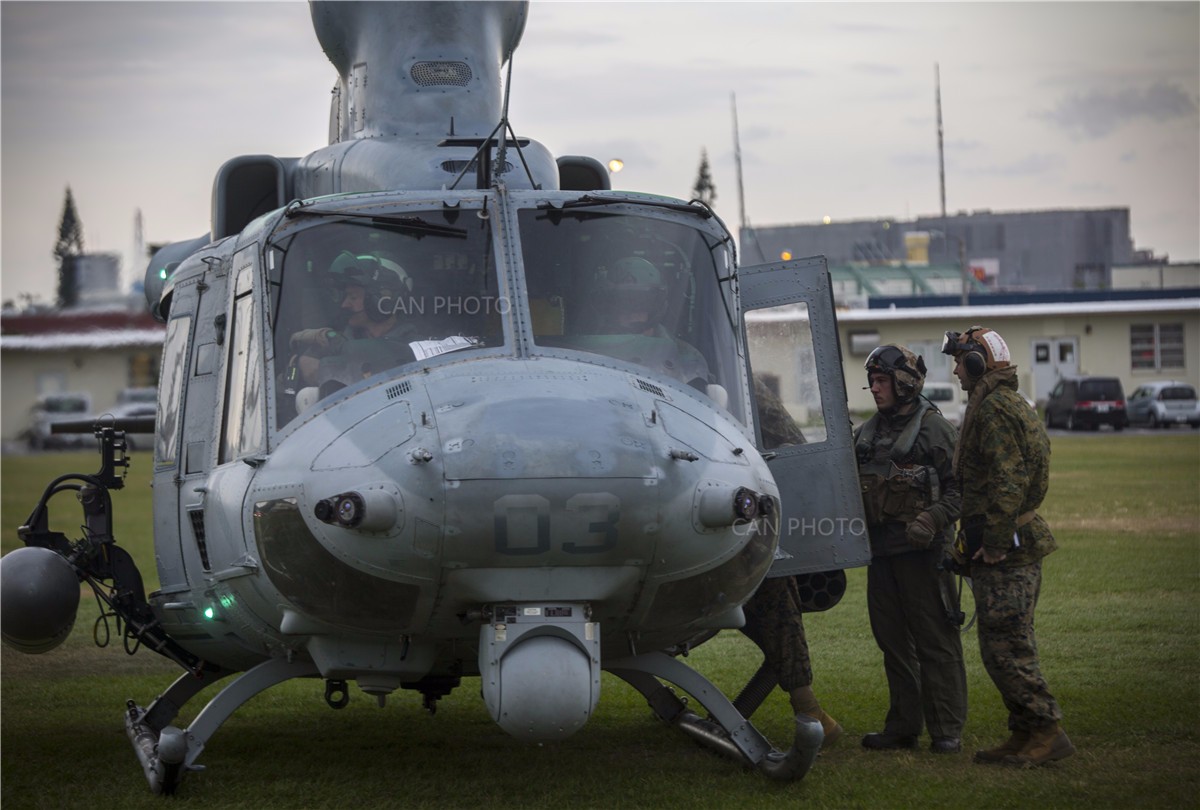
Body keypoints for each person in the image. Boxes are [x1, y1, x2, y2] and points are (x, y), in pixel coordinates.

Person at [941, 326, 1075, 767]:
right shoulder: (1007, 401)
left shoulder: (994, 408)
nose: (956, 369)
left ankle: (1046, 730)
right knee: (1002, 645)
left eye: (961, 360)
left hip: (1007, 550)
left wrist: (996, 542)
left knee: (1007, 648)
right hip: (1008, 543)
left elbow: (1009, 478)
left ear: (979, 364)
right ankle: (1023, 733)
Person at [854, 345, 967, 755]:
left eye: (881, 381)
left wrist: (932, 518)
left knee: (936, 641)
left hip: (924, 556)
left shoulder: (934, 430)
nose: (874, 388)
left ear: (904, 384)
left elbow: (962, 489)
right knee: (893, 642)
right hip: (881, 555)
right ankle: (904, 726)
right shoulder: (867, 434)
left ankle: (946, 729)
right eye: (872, 381)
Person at [739, 376, 842, 747]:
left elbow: (794, 448)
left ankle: (806, 703)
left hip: (732, 520)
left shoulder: (726, 379)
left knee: (776, 584)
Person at [288, 251, 420, 403]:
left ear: (383, 300)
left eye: (353, 297)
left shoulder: (416, 348)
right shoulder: (332, 342)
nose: (345, 304)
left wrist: (322, 368)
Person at [572, 256, 711, 391]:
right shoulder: (579, 350)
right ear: (607, 306)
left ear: (657, 305)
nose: (633, 312)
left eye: (642, 302)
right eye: (622, 302)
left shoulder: (685, 358)